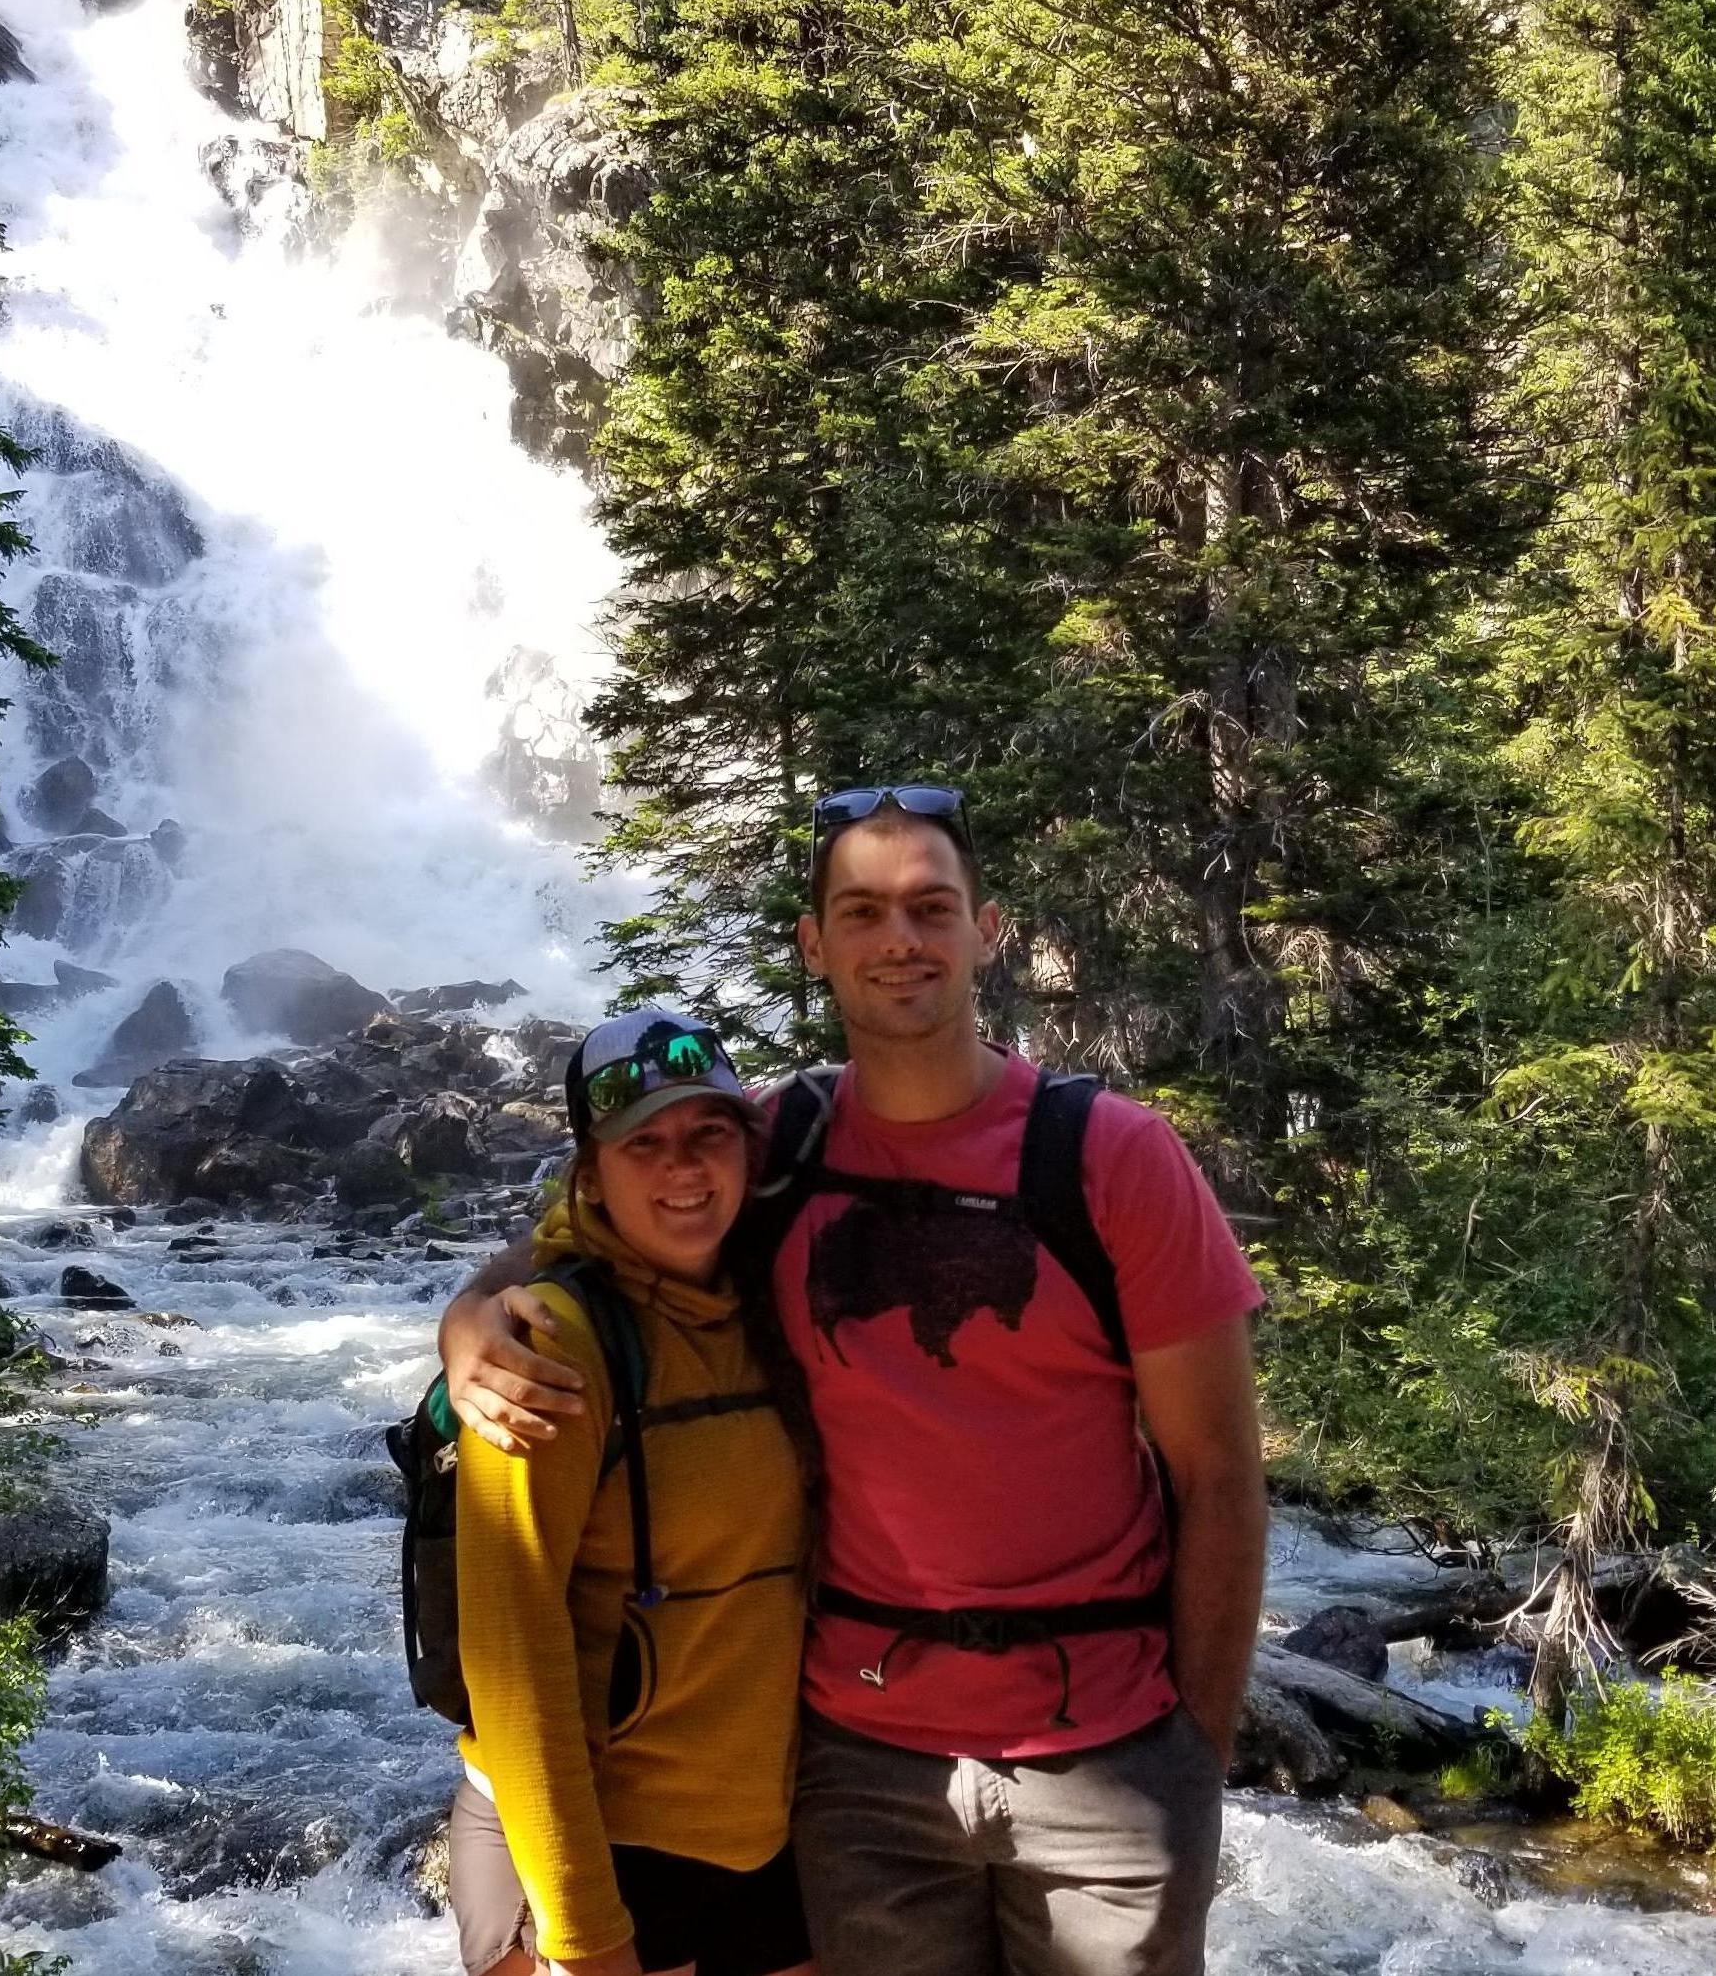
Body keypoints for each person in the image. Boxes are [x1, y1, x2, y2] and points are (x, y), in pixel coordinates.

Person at [442, 787, 1268, 1976]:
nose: (901, 939)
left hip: (1107, 1756)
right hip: (862, 1757)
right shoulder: (783, 1139)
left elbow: (1221, 1477)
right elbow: (607, 1220)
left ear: (988, 930)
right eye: (864, 910)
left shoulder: (1112, 1156)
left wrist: (1197, 1746)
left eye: (931, 907)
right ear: (814, 943)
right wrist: (467, 1318)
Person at [446, 1008, 817, 1976]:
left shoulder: (777, 1296)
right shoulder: (549, 1349)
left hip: (765, 1824)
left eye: (707, 1134)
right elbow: (510, 1649)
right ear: (591, 1173)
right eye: (641, 1143)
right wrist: (581, 1930)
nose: (682, 1169)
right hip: (604, 1835)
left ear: (749, 1145)